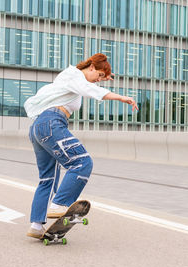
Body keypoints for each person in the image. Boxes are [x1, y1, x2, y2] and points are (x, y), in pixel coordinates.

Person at [24, 53, 138, 238]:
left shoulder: (71, 82)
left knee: (48, 178)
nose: (98, 81)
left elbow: (88, 87)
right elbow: (89, 89)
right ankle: (59, 204)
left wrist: (105, 76)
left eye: (102, 79)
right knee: (82, 163)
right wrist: (121, 97)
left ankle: (36, 225)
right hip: (52, 123)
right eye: (99, 76)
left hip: (39, 127)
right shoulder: (73, 74)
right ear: (91, 67)